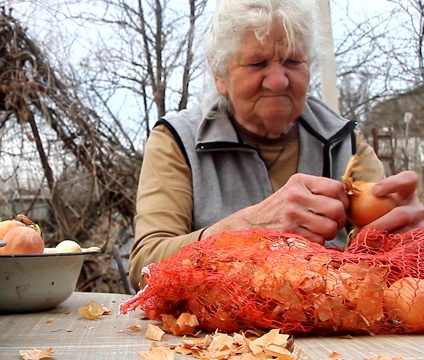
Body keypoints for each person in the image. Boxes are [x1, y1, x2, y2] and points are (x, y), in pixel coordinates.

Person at [129, 0, 424, 291]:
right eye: (257, 63)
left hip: (333, 333)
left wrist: (405, 238)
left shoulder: (344, 141)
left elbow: (389, 271)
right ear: (220, 76)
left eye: (293, 61)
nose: (278, 81)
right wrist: (248, 229)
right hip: (215, 338)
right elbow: (145, 268)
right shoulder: (178, 140)